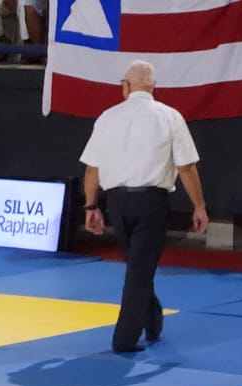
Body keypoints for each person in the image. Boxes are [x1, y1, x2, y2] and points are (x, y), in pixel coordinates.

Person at [80, 59, 209, 355]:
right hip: (151, 202)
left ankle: (151, 322)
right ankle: (124, 339)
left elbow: (92, 169)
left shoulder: (107, 117)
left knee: (138, 266)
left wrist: (91, 207)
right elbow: (186, 167)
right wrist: (199, 206)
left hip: (117, 202)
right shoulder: (169, 116)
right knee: (139, 269)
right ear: (153, 87)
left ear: (126, 86)